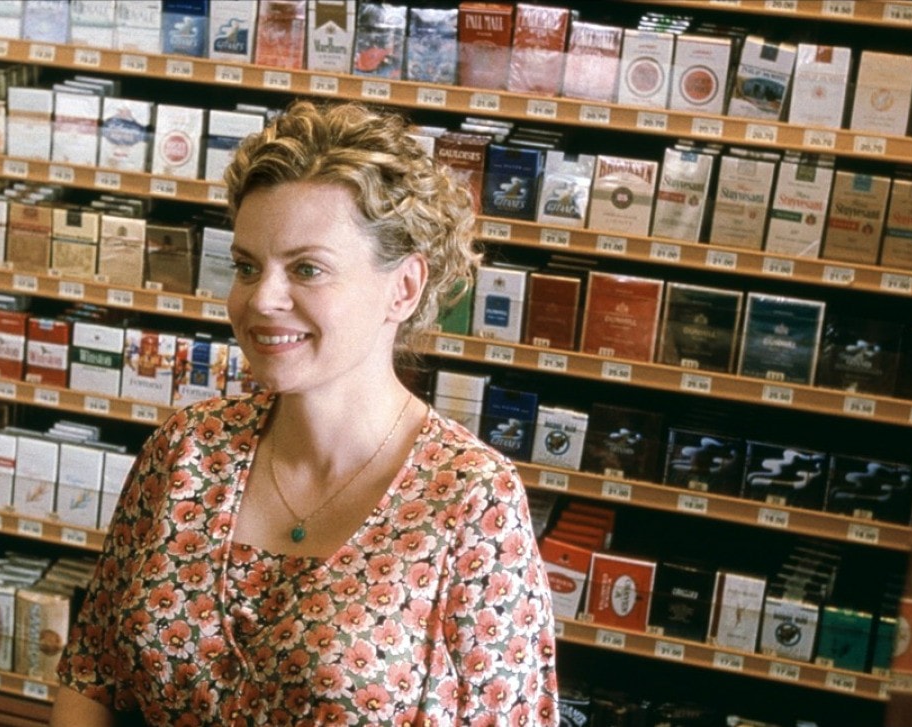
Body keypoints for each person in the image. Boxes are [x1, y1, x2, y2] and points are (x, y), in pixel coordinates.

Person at [52, 101, 559, 726]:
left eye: (307, 269)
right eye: (247, 267)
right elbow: (92, 674)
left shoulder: (472, 500)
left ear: (403, 288)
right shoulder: (187, 450)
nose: (262, 299)